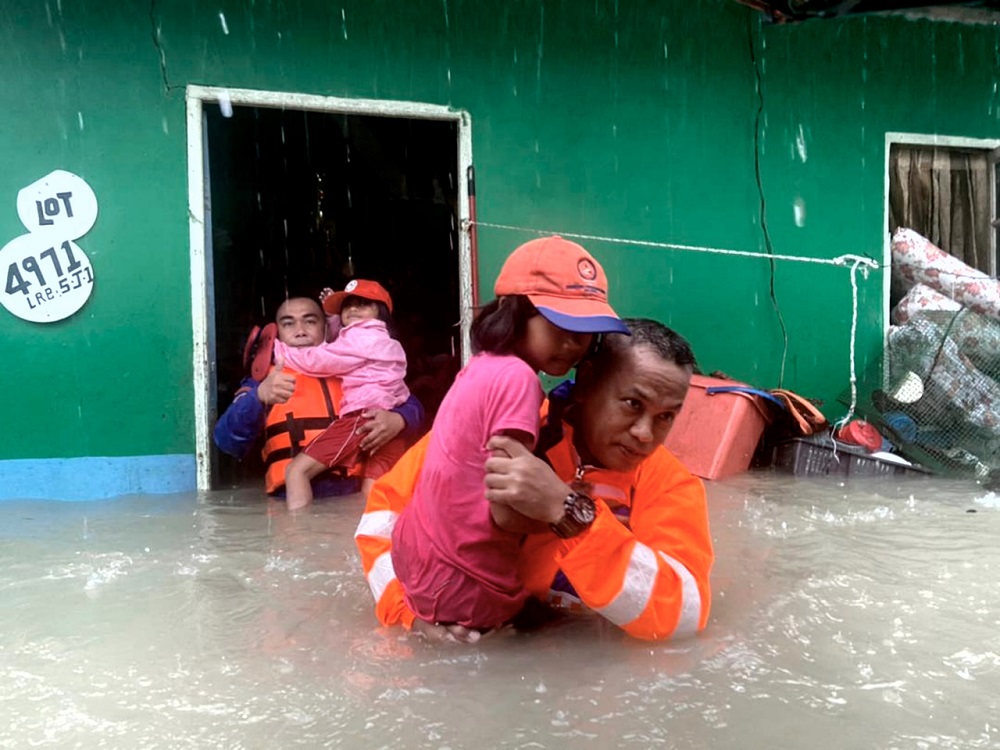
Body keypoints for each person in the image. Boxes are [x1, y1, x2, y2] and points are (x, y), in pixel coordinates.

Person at [356, 317, 713, 642]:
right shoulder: (497, 428)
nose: (645, 434)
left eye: (666, 416)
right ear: (587, 382)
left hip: (576, 664)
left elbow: (684, 614)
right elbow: (380, 522)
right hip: (479, 646)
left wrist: (569, 515)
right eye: (633, 404)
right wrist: (409, 619)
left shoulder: (670, 483)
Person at [389, 236, 632, 632]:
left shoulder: (484, 365)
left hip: (422, 566)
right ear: (514, 313)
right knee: (588, 640)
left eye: (586, 329)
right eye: (561, 323)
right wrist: (569, 506)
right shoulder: (519, 380)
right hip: (467, 585)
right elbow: (506, 512)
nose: (574, 343)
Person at [213, 296, 424, 501]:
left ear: (326, 328)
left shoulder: (357, 366)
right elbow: (226, 441)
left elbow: (412, 405)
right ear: (276, 333)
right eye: (289, 324)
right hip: (288, 500)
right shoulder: (263, 381)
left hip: (352, 495)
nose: (300, 331)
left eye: (310, 321)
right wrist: (257, 397)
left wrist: (399, 419)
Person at [274, 280, 410, 509]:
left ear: (381, 313)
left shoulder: (361, 340)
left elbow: (320, 359)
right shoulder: (384, 341)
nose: (353, 309)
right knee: (371, 496)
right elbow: (345, 342)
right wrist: (333, 318)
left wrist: (280, 351)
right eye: (347, 306)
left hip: (361, 420)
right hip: (385, 424)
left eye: (363, 304)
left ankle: (296, 538)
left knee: (296, 471)